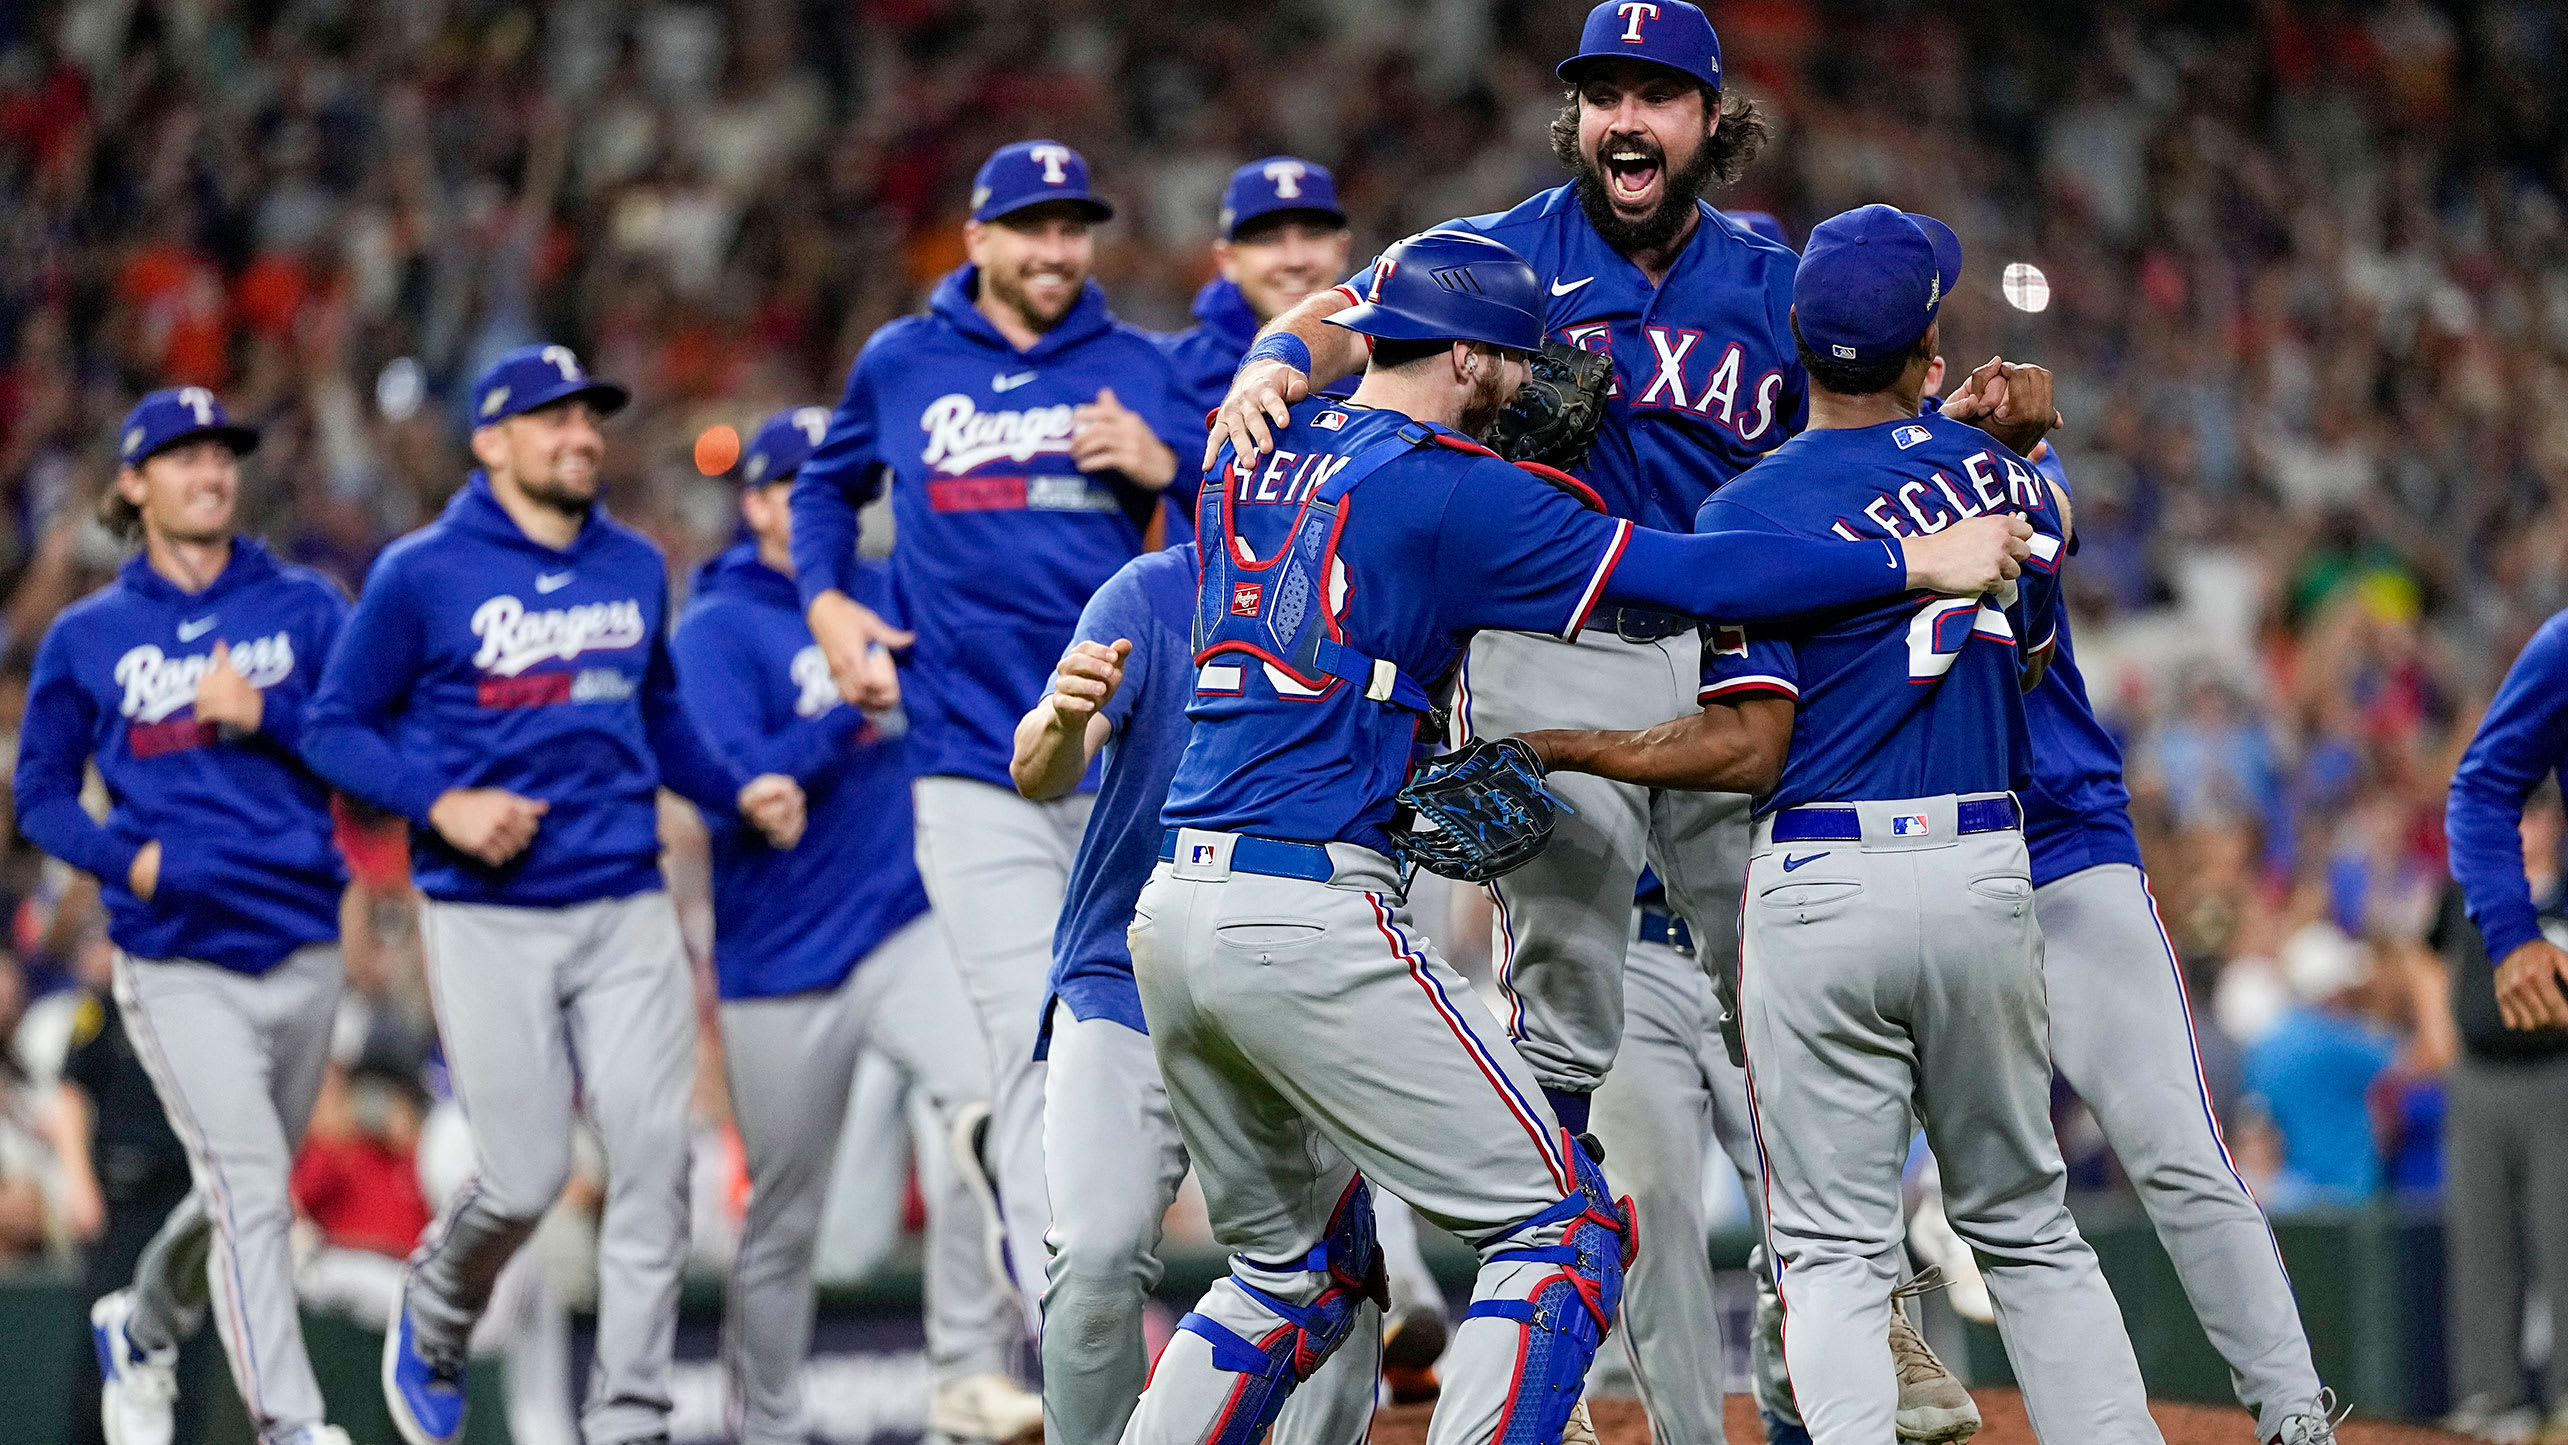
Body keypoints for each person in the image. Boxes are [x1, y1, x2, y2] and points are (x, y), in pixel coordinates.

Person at [1205, 11, 2004, 1425]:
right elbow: (1337, 314)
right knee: (1564, 1008)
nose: (1629, 122)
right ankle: (1543, 1343)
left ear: (1713, 117)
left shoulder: (1774, 276)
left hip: (1731, 646)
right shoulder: (1502, 253)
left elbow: (1875, 414)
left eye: (1662, 97)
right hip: (1553, 647)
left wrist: (1969, 436)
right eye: (1604, 96)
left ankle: (1846, 1326)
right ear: (1572, 115)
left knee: (1789, 1001)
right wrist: (1274, 356)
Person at [1514, 205, 2154, 1441]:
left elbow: (1747, 744)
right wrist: (2012, 447)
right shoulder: (2007, 482)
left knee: (1829, 1253)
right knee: (2030, 1230)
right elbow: (2042, 577)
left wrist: (1568, 742)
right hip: (1978, 865)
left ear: (1793, 348)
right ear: (1928, 351)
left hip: (1817, 881)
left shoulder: (1744, 510)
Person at [298, 345, 807, 1445]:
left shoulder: (629, 562)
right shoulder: (422, 573)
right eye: (552, 419)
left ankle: (628, 1413)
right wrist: (442, 804)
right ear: (491, 439)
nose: (581, 435)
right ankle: (438, 1294)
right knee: (524, 1177)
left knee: (656, 1159)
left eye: (589, 418)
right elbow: (332, 725)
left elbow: (660, 715)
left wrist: (734, 786)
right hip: (487, 908)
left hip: (624, 898)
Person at [789, 140, 1201, 1324]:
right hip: (971, 762)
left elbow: (1234, 518)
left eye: (1075, 227)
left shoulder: (1138, 365)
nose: (1057, 249)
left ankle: (1105, 1259)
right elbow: (825, 489)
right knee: (1035, 1035)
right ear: (978, 240)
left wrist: (1160, 460)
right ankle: (1068, 1312)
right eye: (1033, 226)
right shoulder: (904, 361)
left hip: (1132, 769)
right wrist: (830, 603)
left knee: (1153, 1030)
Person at [1011, 533, 1436, 1445]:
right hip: (1120, 978)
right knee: (1092, 1255)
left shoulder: (1365, 586)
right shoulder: (1155, 590)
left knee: (1331, 1268)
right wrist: (1055, 719)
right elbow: (1041, 768)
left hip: (1289, 975)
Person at [671, 407, 1039, 1445]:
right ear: (754, 502)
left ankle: (968, 1369)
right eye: (796, 485)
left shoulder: (889, 588)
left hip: (903, 922)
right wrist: (841, 713)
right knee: (786, 1214)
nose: (820, 500)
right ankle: (770, 1421)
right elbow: (724, 791)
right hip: (781, 963)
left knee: (991, 1101)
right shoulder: (719, 627)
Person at [16, 388, 355, 1445]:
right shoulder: (90, 634)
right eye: (182, 456)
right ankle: (292, 1422)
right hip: (176, 954)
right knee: (251, 1185)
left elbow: (370, 757)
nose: (210, 471)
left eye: (221, 455)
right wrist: (131, 857)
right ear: (134, 483)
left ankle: (145, 1325)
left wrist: (271, 713)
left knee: (230, 1192)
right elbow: (39, 795)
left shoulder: (304, 606)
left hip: (301, 939)